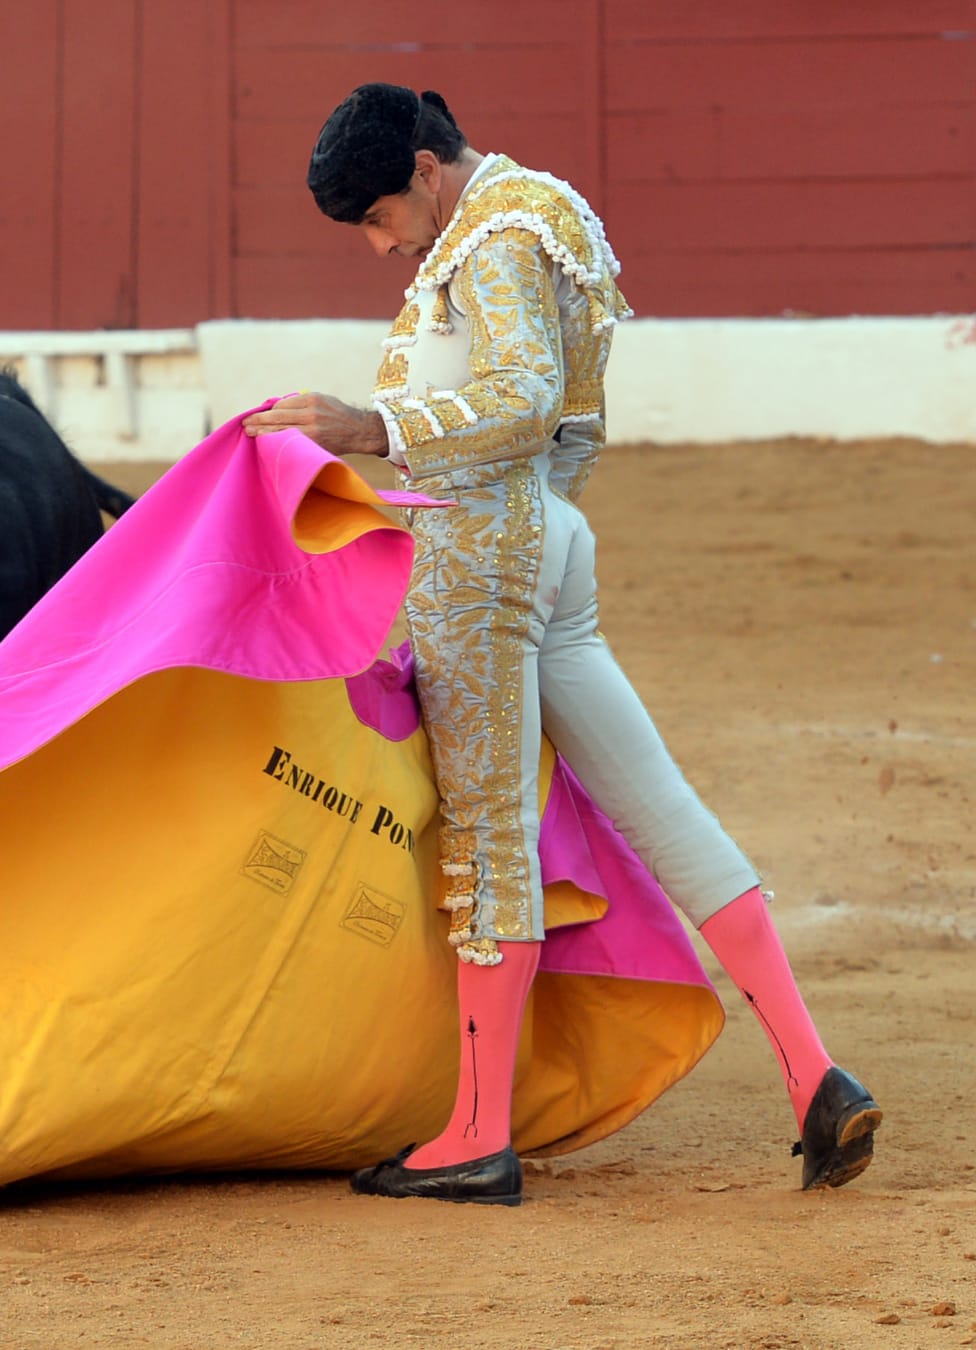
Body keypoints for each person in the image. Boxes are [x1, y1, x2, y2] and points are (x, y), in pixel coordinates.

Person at [240, 82, 879, 1206]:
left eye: (383, 218)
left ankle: (477, 1135)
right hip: (549, 543)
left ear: (427, 172)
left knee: (487, 838)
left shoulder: (488, 237)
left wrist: (370, 426)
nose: (385, 247)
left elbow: (526, 397)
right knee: (662, 808)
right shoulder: (546, 211)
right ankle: (813, 1071)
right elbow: (564, 422)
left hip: (483, 560)